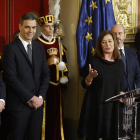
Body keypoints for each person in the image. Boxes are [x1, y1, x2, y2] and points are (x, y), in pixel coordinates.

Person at [2, 13, 50, 140]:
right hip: (19, 106)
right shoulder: (9, 49)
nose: (31, 31)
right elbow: (11, 78)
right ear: (20, 26)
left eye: (34, 27)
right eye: (27, 27)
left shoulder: (39, 47)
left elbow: (46, 75)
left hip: (37, 106)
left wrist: (40, 97)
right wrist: (31, 98)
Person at [77, 30, 124, 140]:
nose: (107, 45)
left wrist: (121, 93)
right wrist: (89, 78)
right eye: (104, 42)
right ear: (100, 45)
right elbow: (84, 84)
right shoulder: (94, 61)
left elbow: (121, 83)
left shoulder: (120, 63)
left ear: (114, 43)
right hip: (96, 107)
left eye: (110, 41)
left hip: (113, 108)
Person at [35, 14, 68, 140]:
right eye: (47, 26)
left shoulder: (58, 42)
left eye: (52, 26)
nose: (50, 29)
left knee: (56, 116)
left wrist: (64, 73)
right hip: (43, 87)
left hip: (56, 86)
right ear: (41, 28)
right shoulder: (37, 43)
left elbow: (65, 62)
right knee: (44, 117)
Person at [111, 24, 140, 92]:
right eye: (114, 33)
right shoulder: (107, 54)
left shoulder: (132, 53)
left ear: (125, 35)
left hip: (132, 98)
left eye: (120, 33)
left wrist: (134, 94)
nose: (117, 36)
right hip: (115, 97)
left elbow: (138, 75)